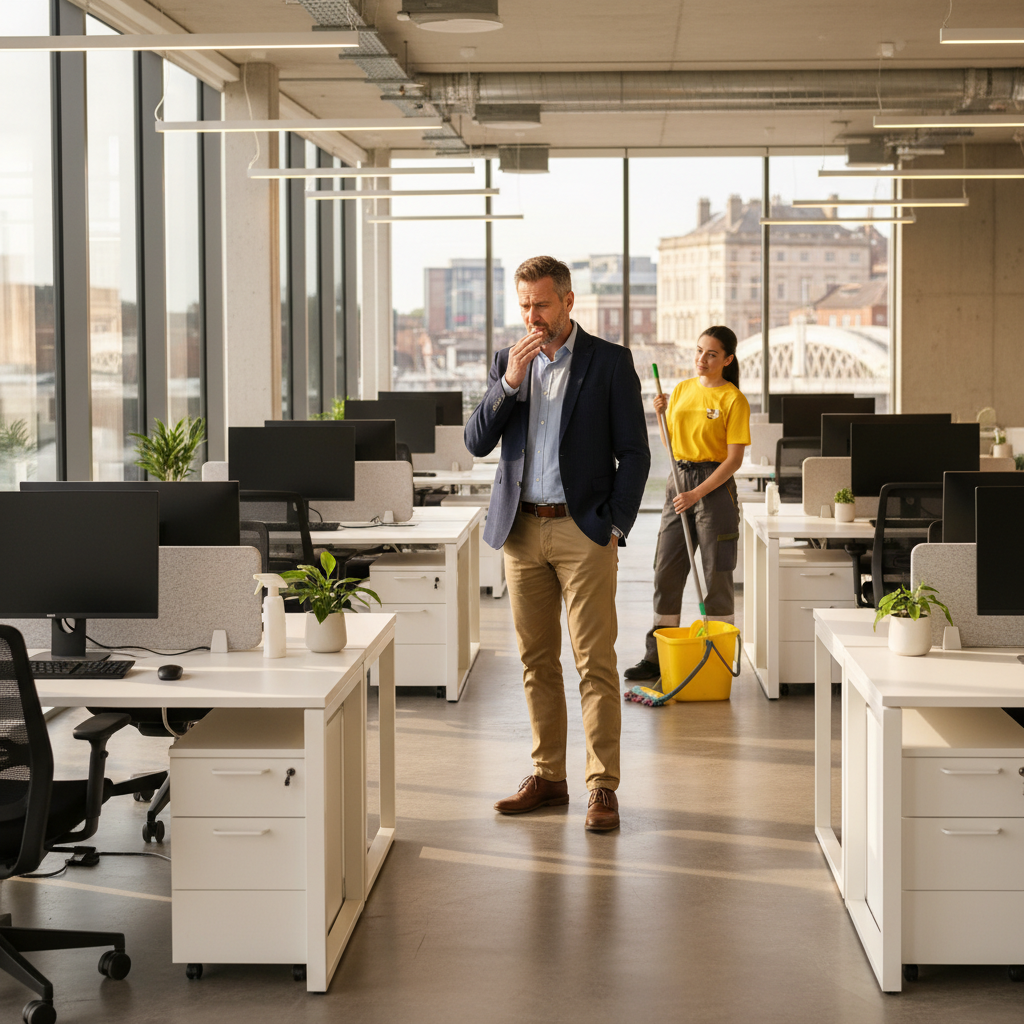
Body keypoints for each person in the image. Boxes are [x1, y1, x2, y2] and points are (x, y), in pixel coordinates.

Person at [464, 255, 650, 832]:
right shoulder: (508, 363)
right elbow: (476, 441)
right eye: (523, 306)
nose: (532, 317)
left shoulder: (611, 363)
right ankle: (549, 776)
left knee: (595, 662)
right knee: (536, 661)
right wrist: (508, 386)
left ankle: (602, 786)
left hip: (583, 529)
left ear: (569, 302)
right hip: (521, 531)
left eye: (541, 304)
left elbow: (636, 455)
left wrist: (615, 526)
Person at [624, 326, 751, 682]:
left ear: (727, 360)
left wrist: (698, 493)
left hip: (715, 488)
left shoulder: (733, 399)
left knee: (716, 575)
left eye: (712, 354)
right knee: (666, 569)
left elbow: (734, 461)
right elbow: (671, 443)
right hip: (678, 483)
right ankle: (656, 656)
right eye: (699, 352)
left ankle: (718, 655)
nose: (702, 360)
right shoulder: (680, 390)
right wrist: (661, 414)